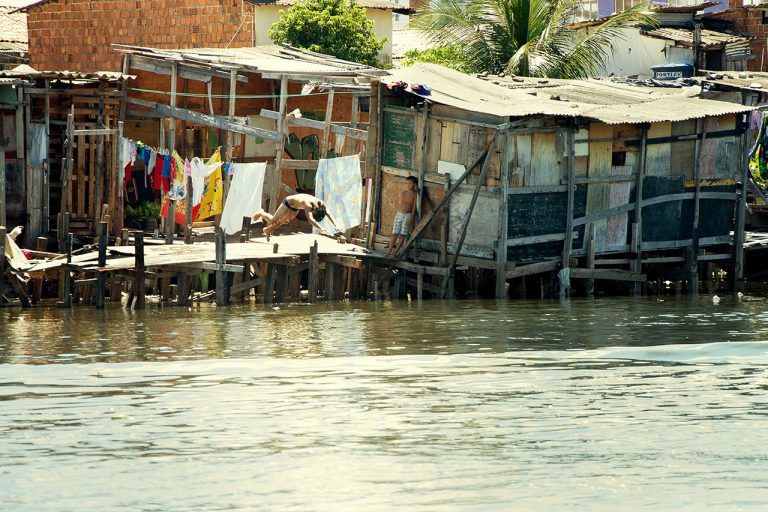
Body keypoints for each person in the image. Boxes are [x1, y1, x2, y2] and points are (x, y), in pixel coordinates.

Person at [252, 193, 343, 241]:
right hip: (288, 202)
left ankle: (268, 230)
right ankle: (261, 213)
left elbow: (330, 214)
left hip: (296, 207)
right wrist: (321, 227)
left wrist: (336, 225)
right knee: (273, 220)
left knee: (285, 221)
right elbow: (310, 219)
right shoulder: (308, 205)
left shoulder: (322, 205)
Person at [385, 176, 418, 257]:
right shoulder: (404, 193)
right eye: (407, 183)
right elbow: (402, 204)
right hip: (399, 214)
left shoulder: (415, 194)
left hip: (407, 215)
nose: (408, 185)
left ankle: (394, 253)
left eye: (410, 183)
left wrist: (411, 218)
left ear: (414, 184)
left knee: (402, 235)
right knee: (394, 233)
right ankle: (388, 252)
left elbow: (414, 207)